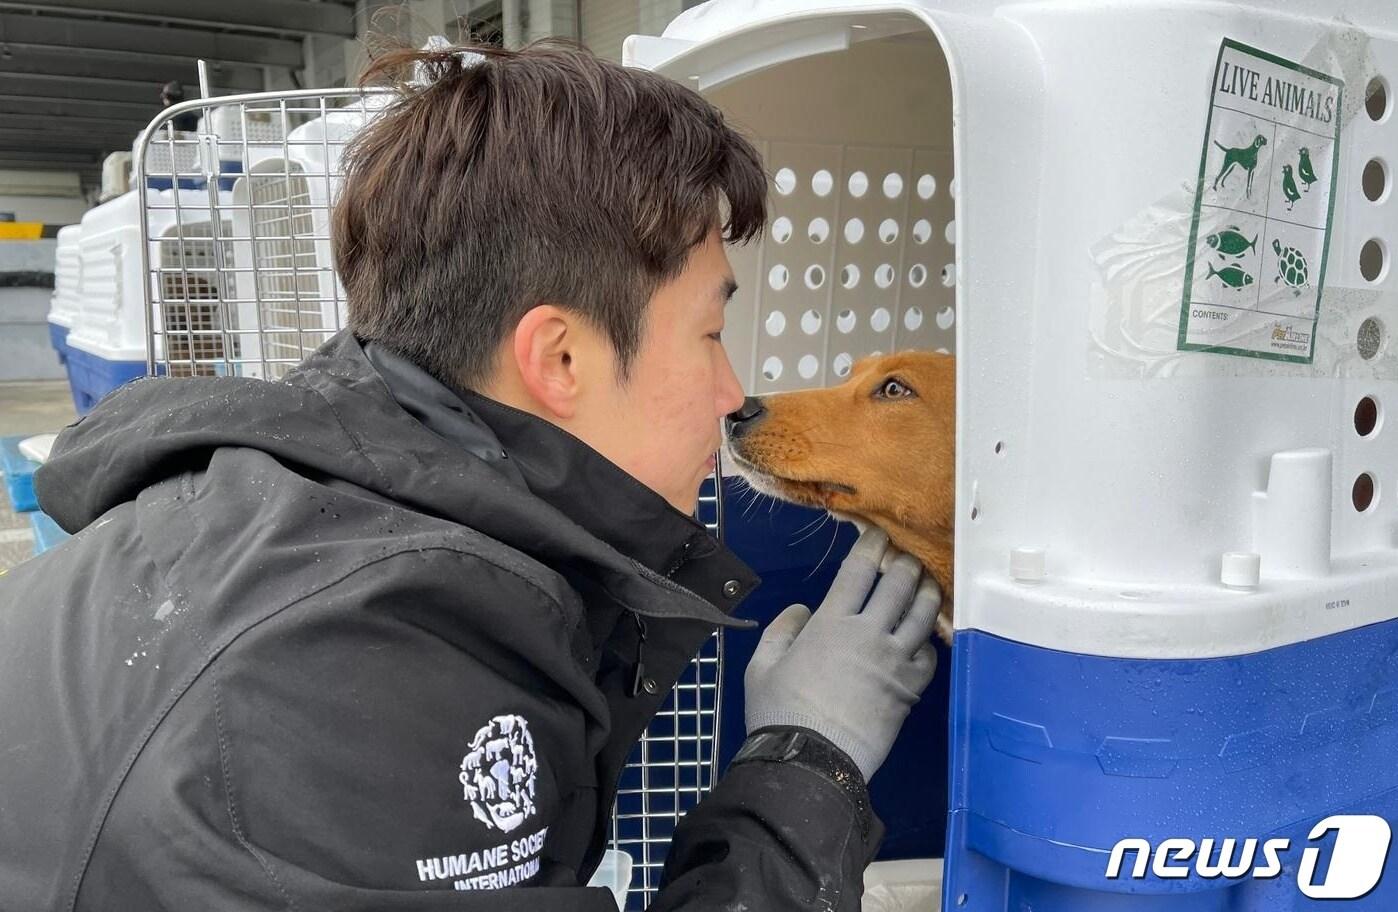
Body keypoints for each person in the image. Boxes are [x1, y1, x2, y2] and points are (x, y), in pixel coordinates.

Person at [0, 41, 941, 910]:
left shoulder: (256, 517)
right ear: (560, 359)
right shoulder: (373, 689)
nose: (734, 390)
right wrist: (803, 769)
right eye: (709, 335)